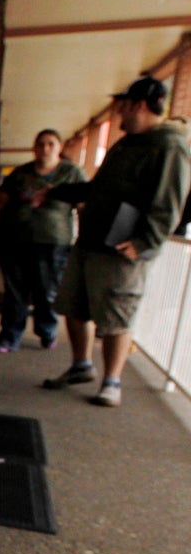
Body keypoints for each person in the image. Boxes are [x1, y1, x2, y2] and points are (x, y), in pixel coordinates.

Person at [39, 76, 191, 406]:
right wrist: (55, 193)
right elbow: (98, 188)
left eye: (124, 105)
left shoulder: (170, 145)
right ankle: (82, 366)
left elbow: (171, 200)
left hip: (123, 248)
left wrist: (145, 241)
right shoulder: (126, 144)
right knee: (74, 305)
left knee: (116, 316)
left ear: (138, 105)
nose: (120, 112)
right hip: (92, 240)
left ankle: (112, 382)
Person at [0, 129, 88, 352]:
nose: (45, 149)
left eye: (51, 144)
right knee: (15, 292)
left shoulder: (72, 174)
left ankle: (47, 331)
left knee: (47, 292)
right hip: (16, 240)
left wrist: (83, 240)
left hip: (53, 243)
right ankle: (9, 336)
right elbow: (0, 205)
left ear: (59, 147)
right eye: (40, 144)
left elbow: (83, 207)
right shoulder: (20, 174)